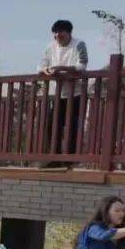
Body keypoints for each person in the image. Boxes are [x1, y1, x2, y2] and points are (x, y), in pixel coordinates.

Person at [38, 20, 88, 165]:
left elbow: (82, 65)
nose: (57, 35)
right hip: (59, 94)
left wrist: (63, 68)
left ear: (68, 33)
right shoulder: (50, 47)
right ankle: (54, 158)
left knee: (73, 126)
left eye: (60, 32)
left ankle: (70, 159)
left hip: (76, 93)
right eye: (55, 32)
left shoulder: (79, 44)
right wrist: (44, 70)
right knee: (52, 126)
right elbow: (41, 64)